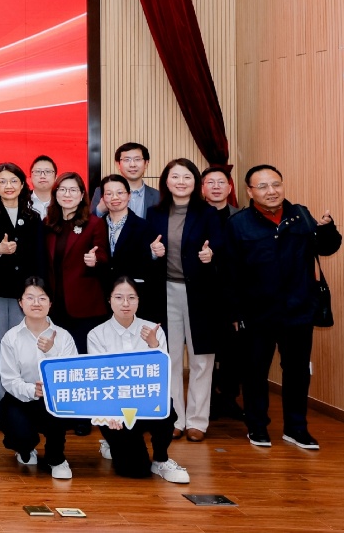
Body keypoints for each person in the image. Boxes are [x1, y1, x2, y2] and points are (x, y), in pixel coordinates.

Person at [226, 164, 340, 450]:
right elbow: (230, 272)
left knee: (298, 372)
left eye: (276, 184)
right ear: (250, 191)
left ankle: (296, 428)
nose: (271, 191)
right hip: (256, 313)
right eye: (262, 186)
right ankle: (257, 427)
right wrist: (235, 312)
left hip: (298, 309)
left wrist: (327, 229)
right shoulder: (238, 223)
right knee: (255, 372)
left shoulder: (300, 215)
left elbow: (326, 248)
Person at [145, 158, 225, 442]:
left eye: (187, 177)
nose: (181, 182)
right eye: (175, 177)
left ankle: (197, 421)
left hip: (200, 293)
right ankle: (175, 418)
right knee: (170, 358)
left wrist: (211, 255)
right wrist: (153, 252)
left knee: (202, 358)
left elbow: (222, 248)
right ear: (166, 181)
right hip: (166, 292)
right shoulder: (154, 213)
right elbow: (146, 252)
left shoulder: (208, 213)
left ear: (195, 182)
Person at [88, 277, 189, 483]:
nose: (125, 303)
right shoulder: (96, 334)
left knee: (166, 407)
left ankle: (161, 459)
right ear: (109, 300)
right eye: (119, 297)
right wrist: (110, 413)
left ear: (138, 300)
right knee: (136, 470)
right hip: (115, 409)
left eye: (131, 298)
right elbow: (99, 381)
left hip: (145, 403)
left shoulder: (153, 330)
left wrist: (153, 346)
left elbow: (161, 375)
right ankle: (111, 442)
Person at [0, 162, 45, 421]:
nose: (8, 186)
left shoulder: (33, 217)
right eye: (2, 181)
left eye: (13, 180)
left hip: (23, 295)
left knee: (23, 352)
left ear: (22, 184)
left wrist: (37, 292)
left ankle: (23, 408)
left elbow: (39, 257)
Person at [0, 277, 77, 479]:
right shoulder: (11, 337)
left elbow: (71, 375)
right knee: (20, 435)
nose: (36, 303)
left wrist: (51, 352)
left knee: (58, 408)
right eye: (30, 298)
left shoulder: (63, 336)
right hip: (21, 398)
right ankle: (25, 448)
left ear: (50, 303)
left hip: (55, 400)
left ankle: (56, 457)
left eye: (42, 298)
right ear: (20, 302)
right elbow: (9, 380)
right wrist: (32, 390)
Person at [43, 172, 109, 353]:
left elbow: (103, 256)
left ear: (81, 195)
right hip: (55, 305)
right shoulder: (48, 224)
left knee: (83, 357)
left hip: (84, 306)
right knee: (58, 355)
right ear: (55, 194)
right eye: (62, 189)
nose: (67, 194)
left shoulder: (94, 223)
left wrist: (95, 260)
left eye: (73, 190)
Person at [200, 165, 242, 421]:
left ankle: (228, 398)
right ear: (202, 188)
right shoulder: (194, 216)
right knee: (205, 350)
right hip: (202, 293)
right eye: (210, 182)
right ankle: (207, 401)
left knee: (232, 350)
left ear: (229, 187)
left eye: (221, 182)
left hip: (233, 293)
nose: (216, 187)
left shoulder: (241, 217)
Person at [101, 174, 158, 313]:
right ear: (103, 198)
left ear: (129, 195)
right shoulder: (96, 226)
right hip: (102, 298)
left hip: (133, 297)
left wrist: (154, 254)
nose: (115, 197)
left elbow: (150, 267)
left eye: (120, 193)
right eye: (109, 193)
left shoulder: (144, 227)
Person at [91, 142, 159, 218]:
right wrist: (100, 210)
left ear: (146, 163)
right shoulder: (102, 192)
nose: (132, 165)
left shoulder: (158, 196)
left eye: (137, 159)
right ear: (118, 164)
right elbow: (89, 222)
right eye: (127, 160)